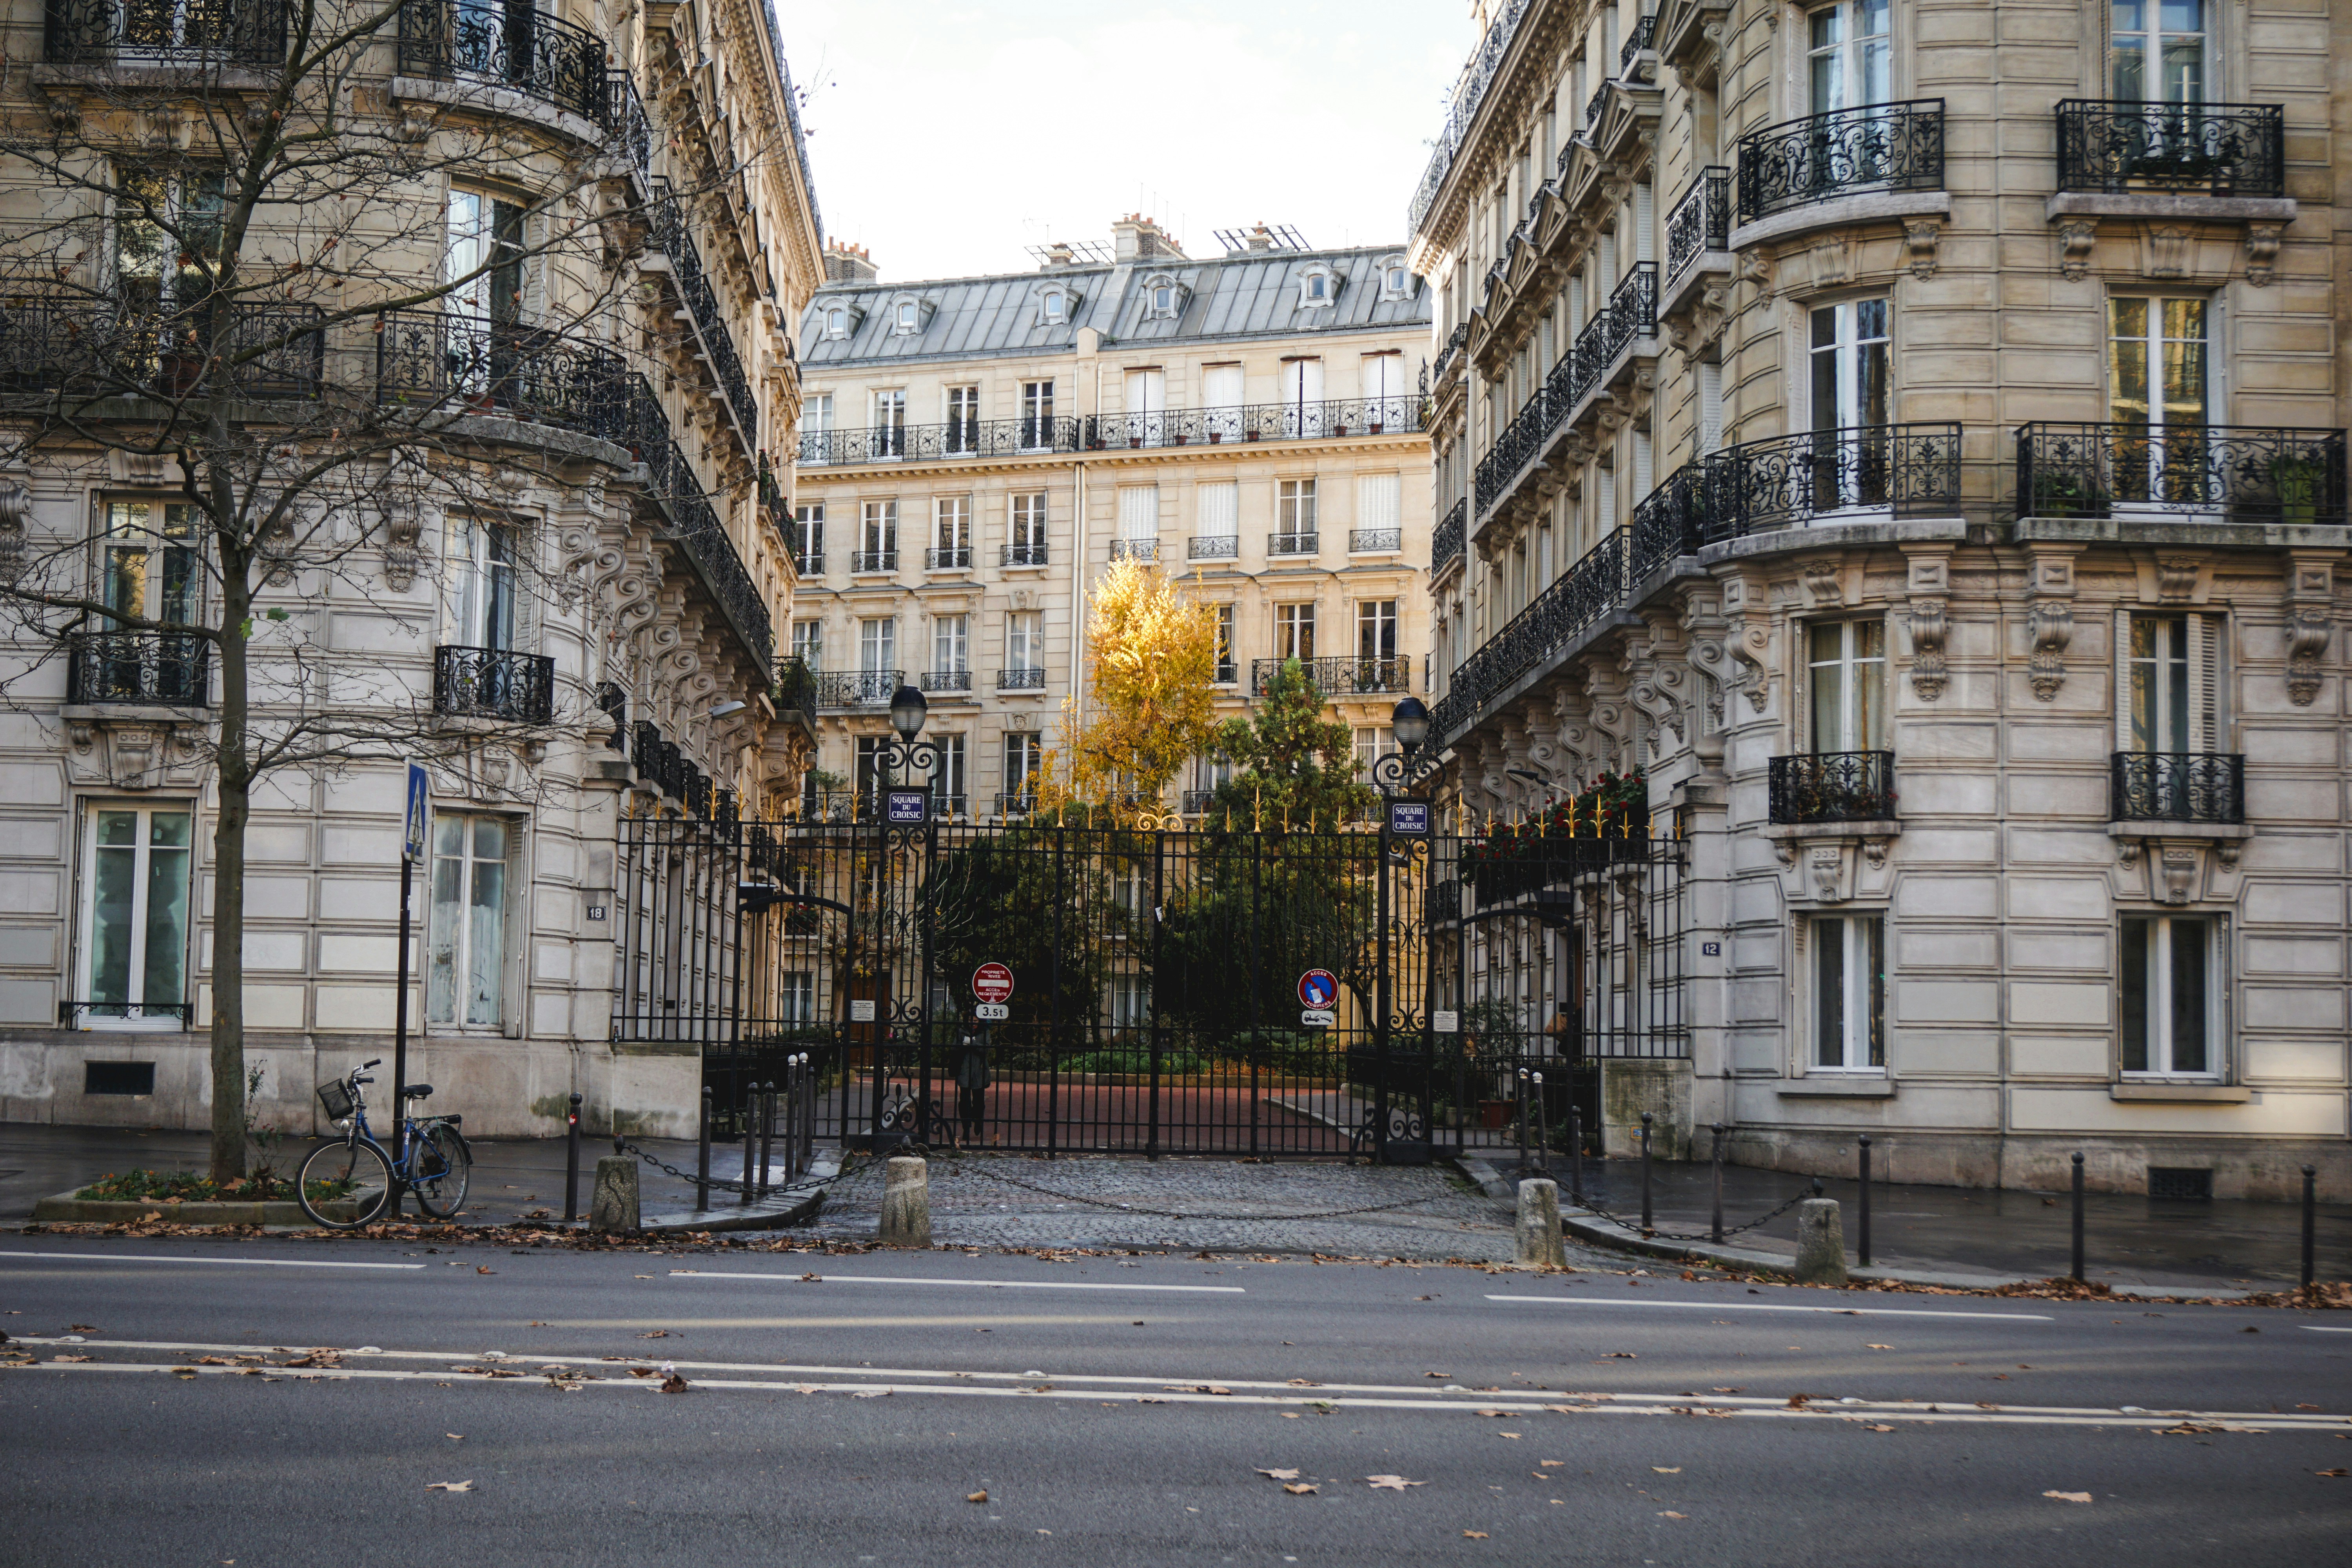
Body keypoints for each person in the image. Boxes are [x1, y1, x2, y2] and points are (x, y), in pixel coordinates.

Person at [953, 1027, 990, 1144]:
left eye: (975, 1021)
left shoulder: (985, 1032)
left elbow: (986, 1050)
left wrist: (973, 1043)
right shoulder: (961, 1031)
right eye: (970, 1020)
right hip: (964, 1069)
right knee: (964, 1101)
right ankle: (966, 1127)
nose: (973, 1024)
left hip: (979, 1070)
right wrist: (962, 1046)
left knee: (979, 1101)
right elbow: (954, 1049)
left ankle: (978, 1121)